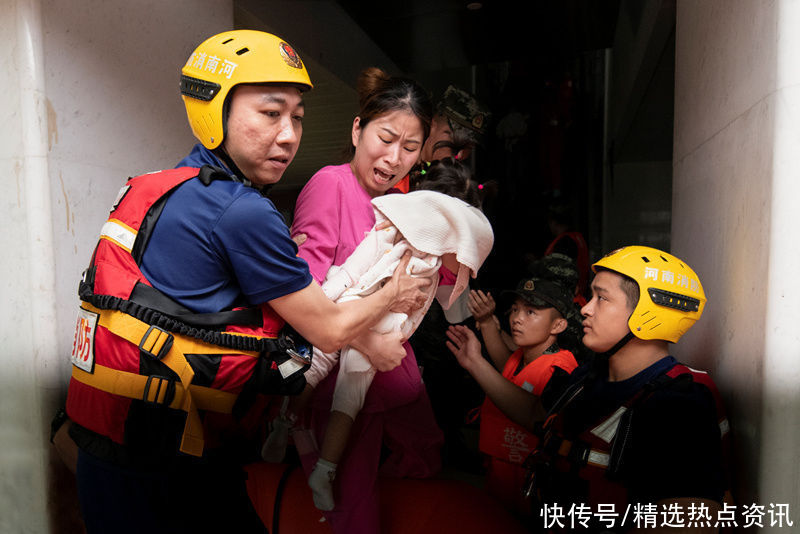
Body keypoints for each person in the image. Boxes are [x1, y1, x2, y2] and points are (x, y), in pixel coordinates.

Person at [64, 30, 430, 534]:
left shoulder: (167, 183)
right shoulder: (241, 212)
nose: (288, 134)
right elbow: (329, 329)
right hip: (167, 466)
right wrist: (396, 293)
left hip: (111, 447)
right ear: (214, 111)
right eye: (270, 113)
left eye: (297, 118)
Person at [458, 246, 729, 533]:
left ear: (648, 314)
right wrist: (474, 363)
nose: (585, 308)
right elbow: (536, 413)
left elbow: (689, 523)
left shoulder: (678, 403)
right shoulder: (591, 374)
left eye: (602, 298)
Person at [288, 67, 445, 534]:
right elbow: (307, 293)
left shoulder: (401, 201)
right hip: (339, 369)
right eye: (386, 137)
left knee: (420, 459)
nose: (395, 157)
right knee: (349, 504)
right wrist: (371, 343)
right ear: (358, 129)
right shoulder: (330, 185)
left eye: (410, 148)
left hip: (386, 366)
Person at [293, 159, 493, 511]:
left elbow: (440, 310)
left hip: (382, 340)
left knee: (349, 398)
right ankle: (285, 425)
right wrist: (328, 304)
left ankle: (323, 470)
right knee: (316, 368)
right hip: (351, 316)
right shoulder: (387, 233)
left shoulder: (434, 269)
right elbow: (352, 271)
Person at [445, 272, 579, 519]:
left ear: (558, 325)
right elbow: (508, 373)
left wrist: (475, 361)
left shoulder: (561, 370)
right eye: (515, 309)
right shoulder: (522, 357)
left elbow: (533, 410)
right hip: (500, 472)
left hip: (531, 483)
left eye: (531, 312)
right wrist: (485, 322)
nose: (517, 318)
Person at [394, 85, 491, 193]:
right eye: (455, 139)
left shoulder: (443, 181)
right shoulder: (394, 161)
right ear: (432, 123)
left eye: (469, 147)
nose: (459, 155)